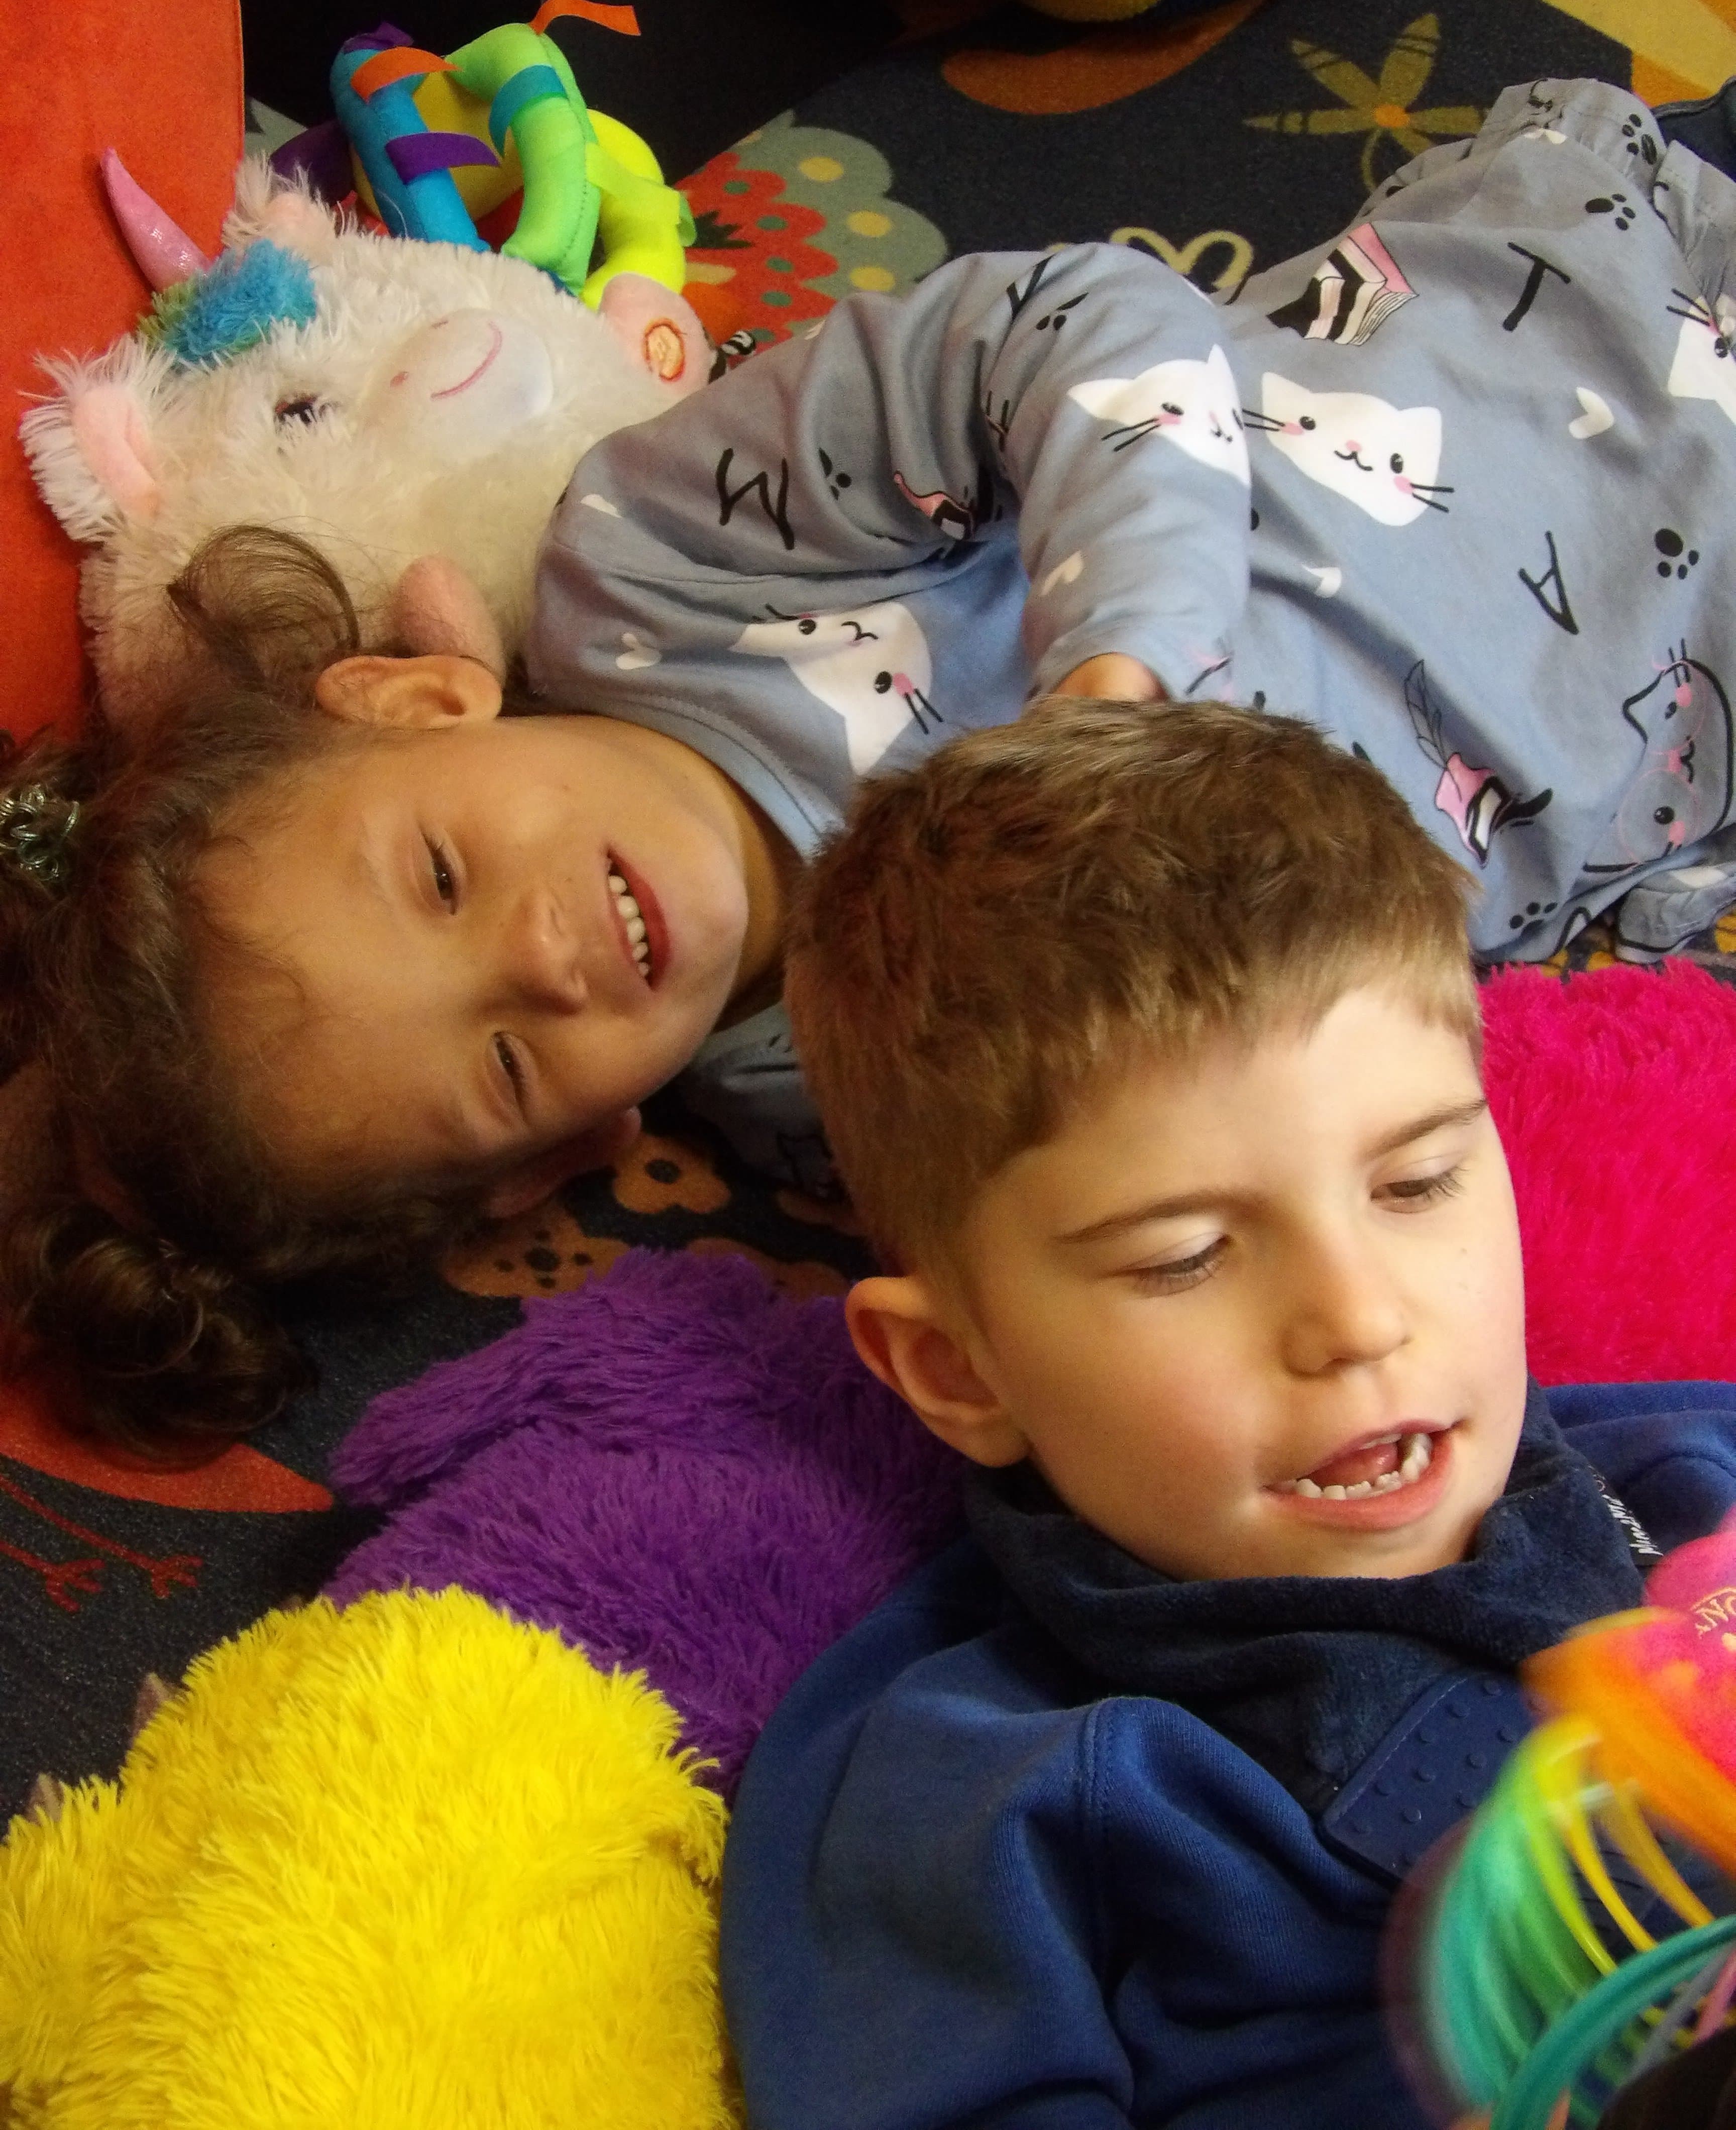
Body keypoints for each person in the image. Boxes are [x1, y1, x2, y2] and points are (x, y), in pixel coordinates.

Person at [3, 75, 1732, 1446]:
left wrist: (1116, 653)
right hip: (1653, 745)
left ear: (411, 703)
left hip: (1588, 354)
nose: (540, 957)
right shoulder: (837, 1099)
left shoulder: (663, 559)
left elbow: (1078, 323)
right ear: (557, 1164)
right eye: (513, 1063)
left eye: (442, 877)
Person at [717, 696, 1736, 2130]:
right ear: (963, 1373)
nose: (1359, 1319)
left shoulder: (1695, 1476)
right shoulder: (983, 1795)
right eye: (1184, 1257)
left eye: (1417, 1182)